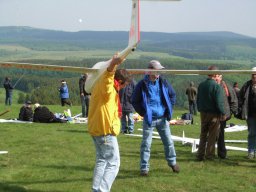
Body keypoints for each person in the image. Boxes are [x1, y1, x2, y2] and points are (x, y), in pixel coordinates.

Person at [88, 54, 130, 192]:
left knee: (102, 160)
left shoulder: (98, 84)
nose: (123, 88)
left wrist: (115, 62)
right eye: (124, 85)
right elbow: (108, 77)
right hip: (105, 130)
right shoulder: (108, 87)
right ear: (121, 82)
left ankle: (96, 189)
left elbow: (107, 77)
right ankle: (102, 190)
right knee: (114, 163)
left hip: (97, 129)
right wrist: (112, 64)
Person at [131, 60, 180, 176]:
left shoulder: (163, 82)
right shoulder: (142, 84)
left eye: (159, 70)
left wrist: (169, 108)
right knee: (146, 144)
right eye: (156, 70)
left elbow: (172, 95)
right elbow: (134, 100)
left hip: (163, 118)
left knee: (168, 142)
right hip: (149, 119)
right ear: (150, 71)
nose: (158, 73)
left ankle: (172, 163)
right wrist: (143, 113)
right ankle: (144, 169)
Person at [196, 66, 226, 161]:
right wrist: (223, 113)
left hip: (203, 113)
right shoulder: (217, 86)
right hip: (213, 114)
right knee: (212, 135)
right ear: (215, 74)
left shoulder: (201, 85)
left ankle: (200, 154)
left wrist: (200, 108)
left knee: (203, 134)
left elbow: (198, 99)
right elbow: (219, 102)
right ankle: (210, 155)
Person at [215, 75, 238, 159]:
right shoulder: (212, 86)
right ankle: (208, 153)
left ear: (221, 77)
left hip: (223, 115)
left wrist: (230, 113)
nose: (216, 78)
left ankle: (222, 154)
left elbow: (234, 100)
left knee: (220, 135)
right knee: (212, 134)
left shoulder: (226, 87)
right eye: (215, 76)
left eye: (218, 76)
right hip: (212, 114)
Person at [238, 67, 256, 159]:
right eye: (253, 74)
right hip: (250, 114)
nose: (254, 76)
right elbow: (240, 97)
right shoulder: (246, 85)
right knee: (252, 133)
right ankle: (251, 152)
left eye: (255, 74)